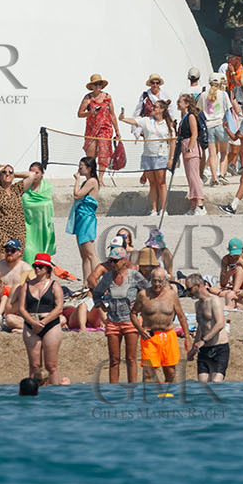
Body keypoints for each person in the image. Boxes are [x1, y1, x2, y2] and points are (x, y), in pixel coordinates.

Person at [8, 253, 66, 386]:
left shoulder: (54, 285)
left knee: (51, 366)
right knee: (34, 365)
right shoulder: (26, 286)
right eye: (35, 266)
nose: (37, 269)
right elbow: (22, 308)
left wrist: (44, 322)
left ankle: (55, 394)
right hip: (31, 324)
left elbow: (59, 308)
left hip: (50, 323)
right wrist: (33, 322)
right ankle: (34, 391)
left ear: (47, 269)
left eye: (40, 266)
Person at [92, 246, 142, 384]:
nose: (112, 264)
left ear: (124, 261)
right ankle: (112, 390)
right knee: (114, 359)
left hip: (130, 321)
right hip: (113, 322)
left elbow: (147, 291)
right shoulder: (107, 277)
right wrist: (101, 305)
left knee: (131, 358)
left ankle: (133, 388)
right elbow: (97, 293)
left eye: (115, 261)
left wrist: (139, 305)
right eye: (110, 261)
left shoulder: (134, 275)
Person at [132, 267, 188, 386]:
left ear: (165, 281)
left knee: (170, 372)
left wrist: (187, 337)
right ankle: (149, 399)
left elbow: (182, 316)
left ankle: (170, 400)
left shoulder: (172, 295)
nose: (157, 284)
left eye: (160, 281)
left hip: (168, 336)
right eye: (154, 281)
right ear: (150, 280)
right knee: (148, 373)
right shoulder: (143, 295)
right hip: (150, 338)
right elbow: (132, 314)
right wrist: (140, 330)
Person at [121, 100, 174, 217]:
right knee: (152, 183)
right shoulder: (147, 121)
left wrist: (171, 158)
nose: (153, 109)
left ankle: (164, 209)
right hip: (148, 155)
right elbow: (134, 121)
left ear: (162, 110)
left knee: (161, 183)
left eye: (155, 107)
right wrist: (122, 118)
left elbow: (172, 142)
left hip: (161, 155)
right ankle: (154, 209)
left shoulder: (167, 124)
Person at [0, 163, 40, 260]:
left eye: (10, 172)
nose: (7, 174)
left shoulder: (16, 189)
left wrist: (15, 174)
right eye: (4, 172)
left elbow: (32, 175)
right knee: (2, 264)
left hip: (17, 231)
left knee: (17, 264)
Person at [188, 275, 229, 381]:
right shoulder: (197, 305)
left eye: (190, 289)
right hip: (204, 349)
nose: (188, 293)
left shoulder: (214, 300)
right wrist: (193, 349)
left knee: (215, 383)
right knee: (202, 385)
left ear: (198, 286)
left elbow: (220, 324)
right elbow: (201, 327)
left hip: (219, 348)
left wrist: (203, 340)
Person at [173, 92, 207, 215]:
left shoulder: (191, 116)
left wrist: (189, 149)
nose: (178, 103)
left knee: (194, 176)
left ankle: (200, 204)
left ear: (187, 104)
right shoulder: (184, 117)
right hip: (184, 145)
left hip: (190, 146)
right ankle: (193, 205)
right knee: (190, 177)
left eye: (180, 101)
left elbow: (194, 134)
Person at [68, 158, 100, 282]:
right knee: (84, 255)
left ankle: (97, 280)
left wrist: (77, 180)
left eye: (81, 167)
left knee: (90, 252)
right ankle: (86, 283)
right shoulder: (87, 182)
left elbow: (77, 195)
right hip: (81, 218)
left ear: (89, 168)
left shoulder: (92, 181)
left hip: (87, 219)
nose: (79, 169)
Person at [77, 73, 116, 166]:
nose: (98, 86)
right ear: (92, 86)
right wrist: (90, 113)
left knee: (104, 153)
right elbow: (79, 114)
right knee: (91, 155)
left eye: (99, 84)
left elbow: (112, 115)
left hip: (105, 129)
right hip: (92, 129)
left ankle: (101, 178)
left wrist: (117, 131)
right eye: (96, 84)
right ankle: (92, 177)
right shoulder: (88, 98)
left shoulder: (107, 97)